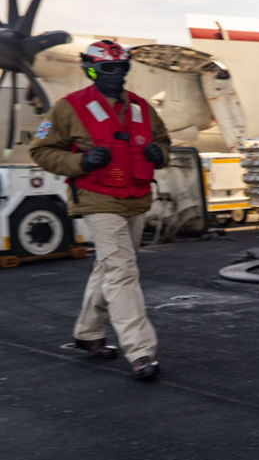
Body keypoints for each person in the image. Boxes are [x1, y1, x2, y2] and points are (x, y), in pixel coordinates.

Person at [28, 40, 169, 380]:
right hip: (97, 198)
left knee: (109, 268)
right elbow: (41, 150)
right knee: (122, 271)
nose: (117, 75)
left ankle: (88, 333)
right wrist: (80, 161)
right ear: (91, 69)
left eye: (122, 69)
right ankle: (141, 352)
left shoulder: (141, 107)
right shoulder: (68, 108)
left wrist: (158, 154)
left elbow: (163, 141)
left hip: (134, 198)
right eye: (109, 69)